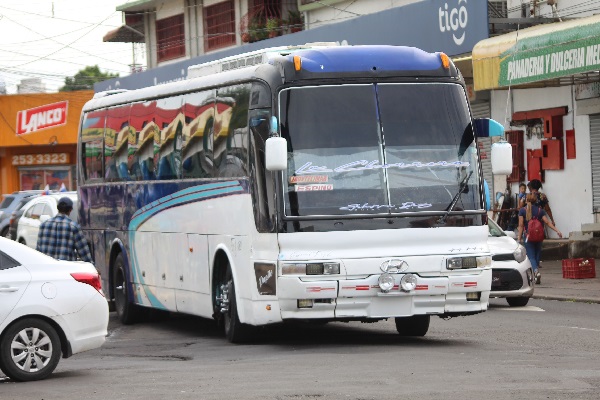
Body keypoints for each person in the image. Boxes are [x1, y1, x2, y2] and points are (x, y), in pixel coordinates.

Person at [517, 193, 562, 283]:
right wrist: (557, 230)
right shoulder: (540, 211)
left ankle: (536, 272)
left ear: (526, 200)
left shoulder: (522, 211)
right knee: (537, 255)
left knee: (531, 256)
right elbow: (547, 222)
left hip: (528, 236)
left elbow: (521, 225)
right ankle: (536, 274)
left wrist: (519, 238)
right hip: (539, 236)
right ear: (535, 201)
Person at [36, 197, 93, 263]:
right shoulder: (73, 227)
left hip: (47, 269)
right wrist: (92, 266)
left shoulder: (43, 225)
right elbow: (84, 252)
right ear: (70, 210)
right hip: (65, 270)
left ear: (57, 208)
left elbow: (38, 251)